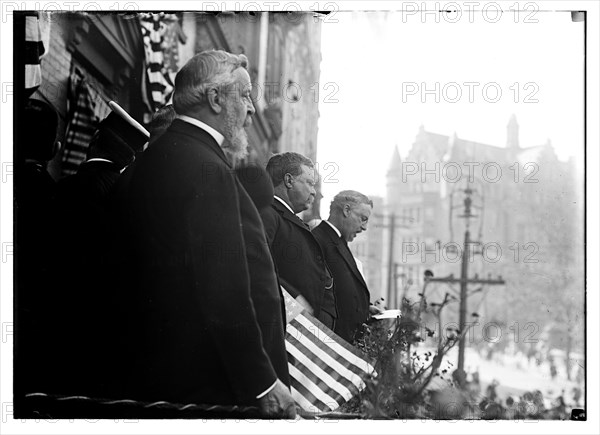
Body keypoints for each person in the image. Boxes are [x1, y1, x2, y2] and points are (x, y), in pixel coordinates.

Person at [110, 50, 294, 417]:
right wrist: (262, 382)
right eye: (244, 96)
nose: (251, 110)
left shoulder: (157, 156)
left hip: (156, 376)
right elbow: (224, 290)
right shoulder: (206, 167)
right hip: (202, 387)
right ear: (215, 99)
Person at [261, 152, 336, 330]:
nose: (314, 192)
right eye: (310, 183)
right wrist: (295, 300)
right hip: (285, 327)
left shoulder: (287, 218)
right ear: (288, 180)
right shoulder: (268, 214)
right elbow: (259, 266)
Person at [311, 190, 373, 343]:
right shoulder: (318, 240)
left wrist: (366, 308)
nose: (364, 227)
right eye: (363, 219)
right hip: (331, 341)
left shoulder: (338, 241)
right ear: (346, 210)